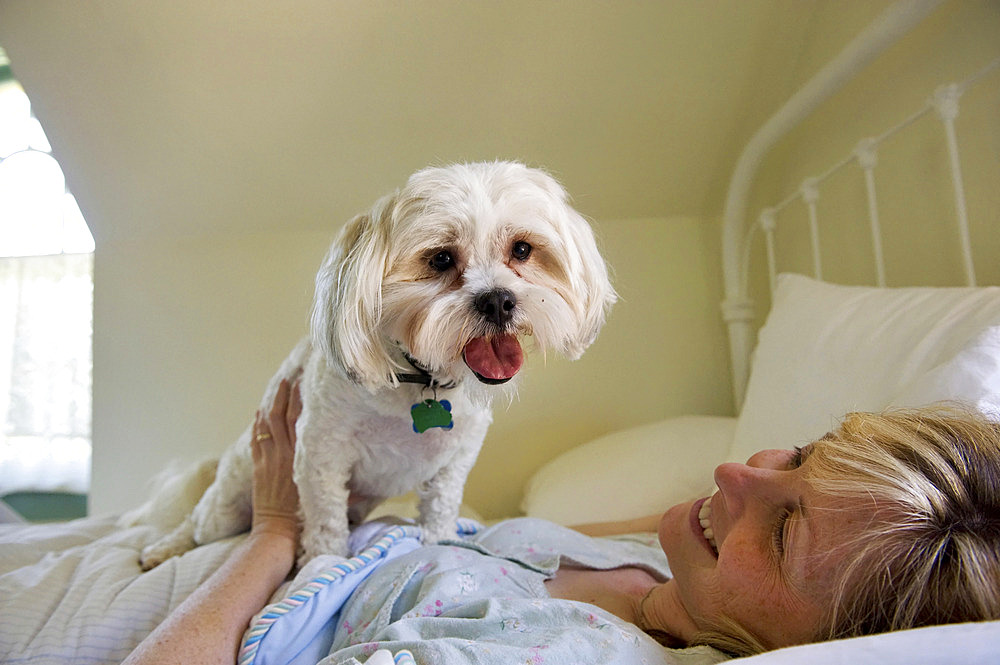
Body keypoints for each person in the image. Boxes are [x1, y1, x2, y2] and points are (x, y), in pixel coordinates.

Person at [124, 381, 1000, 664]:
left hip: (238, 594)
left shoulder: (556, 649)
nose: (737, 473)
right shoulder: (661, 565)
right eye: (801, 454)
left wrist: (281, 525)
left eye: (781, 530)